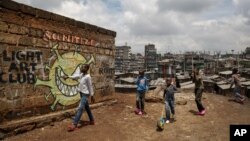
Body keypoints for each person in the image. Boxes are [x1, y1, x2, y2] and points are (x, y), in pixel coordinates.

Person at [63, 64, 95, 131]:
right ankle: (92, 120)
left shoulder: (88, 77)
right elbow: (75, 76)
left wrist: (92, 96)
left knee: (80, 108)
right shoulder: (82, 75)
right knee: (87, 108)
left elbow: (90, 86)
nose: (81, 68)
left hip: (85, 94)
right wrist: (68, 77)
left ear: (87, 69)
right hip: (81, 93)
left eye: (83, 67)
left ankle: (74, 124)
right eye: (81, 67)